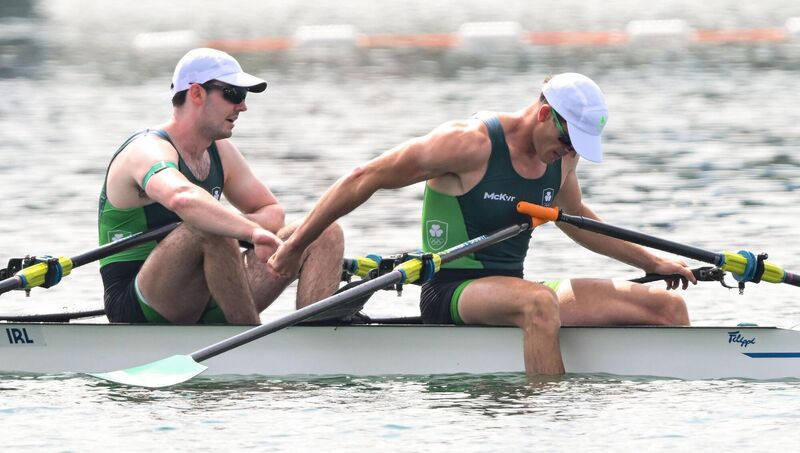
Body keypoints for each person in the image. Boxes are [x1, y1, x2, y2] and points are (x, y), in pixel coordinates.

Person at [268, 72, 695, 375]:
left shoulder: (563, 159)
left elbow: (579, 221)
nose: (568, 151)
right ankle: (546, 418)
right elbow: (367, 177)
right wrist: (295, 245)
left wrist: (652, 262)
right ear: (545, 114)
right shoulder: (468, 144)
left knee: (667, 308)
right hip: (450, 290)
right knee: (538, 304)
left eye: (578, 146)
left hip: (513, 287)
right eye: (567, 140)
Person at [98, 48, 344, 325]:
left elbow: (272, 211)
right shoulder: (146, 150)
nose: (242, 106)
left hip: (211, 289)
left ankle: (317, 341)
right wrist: (248, 231)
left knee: (322, 232)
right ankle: (253, 342)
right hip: (140, 303)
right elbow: (181, 197)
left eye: (244, 96)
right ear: (196, 94)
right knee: (209, 226)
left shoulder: (220, 151)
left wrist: (242, 233)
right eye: (233, 95)